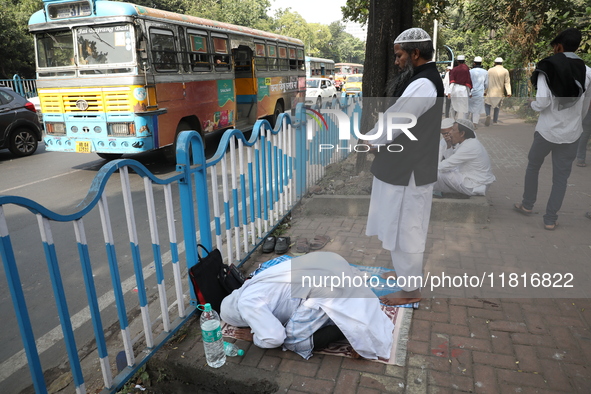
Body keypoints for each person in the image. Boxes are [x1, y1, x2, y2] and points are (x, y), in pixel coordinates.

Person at [362, 27, 444, 305]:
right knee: (398, 224)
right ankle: (404, 276)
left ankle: (410, 290)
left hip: (411, 169)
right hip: (406, 165)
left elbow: (398, 119)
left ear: (415, 54)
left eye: (399, 55)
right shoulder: (422, 80)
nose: (396, 61)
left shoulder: (423, 84)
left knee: (406, 228)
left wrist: (369, 141)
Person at [219, 252, 395, 360]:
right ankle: (355, 320)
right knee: (337, 297)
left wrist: (256, 338)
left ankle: (347, 330)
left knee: (293, 341)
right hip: (332, 265)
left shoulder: (246, 304)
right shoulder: (255, 280)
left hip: (326, 291)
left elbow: (275, 337)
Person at [514, 27, 591, 230]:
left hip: (547, 131)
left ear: (558, 46)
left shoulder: (547, 67)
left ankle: (527, 205)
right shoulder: (587, 71)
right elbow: (585, 106)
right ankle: (550, 219)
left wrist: (531, 104)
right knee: (561, 178)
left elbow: (542, 102)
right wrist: (575, 123)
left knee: (533, 166)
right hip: (572, 134)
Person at [434, 119, 496, 196]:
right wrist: (449, 146)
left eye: (453, 130)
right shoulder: (468, 142)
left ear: (462, 133)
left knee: (433, 174)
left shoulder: (469, 146)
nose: (449, 133)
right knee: (436, 175)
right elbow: (450, 162)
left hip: (475, 184)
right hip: (474, 182)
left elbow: (444, 166)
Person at [484, 57, 511, 126]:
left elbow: (487, 82)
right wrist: (509, 92)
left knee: (487, 105)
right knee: (497, 106)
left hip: (490, 91)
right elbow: (507, 82)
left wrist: (485, 91)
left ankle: (488, 115)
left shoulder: (490, 70)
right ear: (502, 63)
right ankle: (495, 120)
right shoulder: (505, 71)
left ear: (495, 63)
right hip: (499, 92)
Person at [448, 55, 472, 120]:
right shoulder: (466, 69)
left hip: (455, 88)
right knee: (463, 106)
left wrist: (449, 92)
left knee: (453, 106)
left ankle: (452, 119)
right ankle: (461, 121)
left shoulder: (455, 69)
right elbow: (468, 81)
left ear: (457, 61)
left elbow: (452, 82)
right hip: (463, 90)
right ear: (464, 61)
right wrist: (469, 93)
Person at [468, 56, 489, 127]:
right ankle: (474, 124)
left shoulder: (470, 71)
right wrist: (484, 90)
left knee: (469, 108)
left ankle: (467, 123)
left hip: (470, 93)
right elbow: (486, 83)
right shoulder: (485, 72)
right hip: (480, 93)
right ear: (481, 63)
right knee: (477, 110)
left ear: (474, 63)